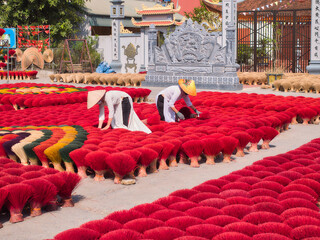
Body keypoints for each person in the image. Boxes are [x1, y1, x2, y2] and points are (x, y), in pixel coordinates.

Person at [87, 90, 151, 134]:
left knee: (123, 122)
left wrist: (107, 125)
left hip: (125, 100)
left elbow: (111, 111)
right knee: (116, 123)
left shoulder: (107, 96)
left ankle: (129, 133)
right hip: (117, 103)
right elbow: (101, 114)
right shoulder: (101, 102)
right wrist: (99, 127)